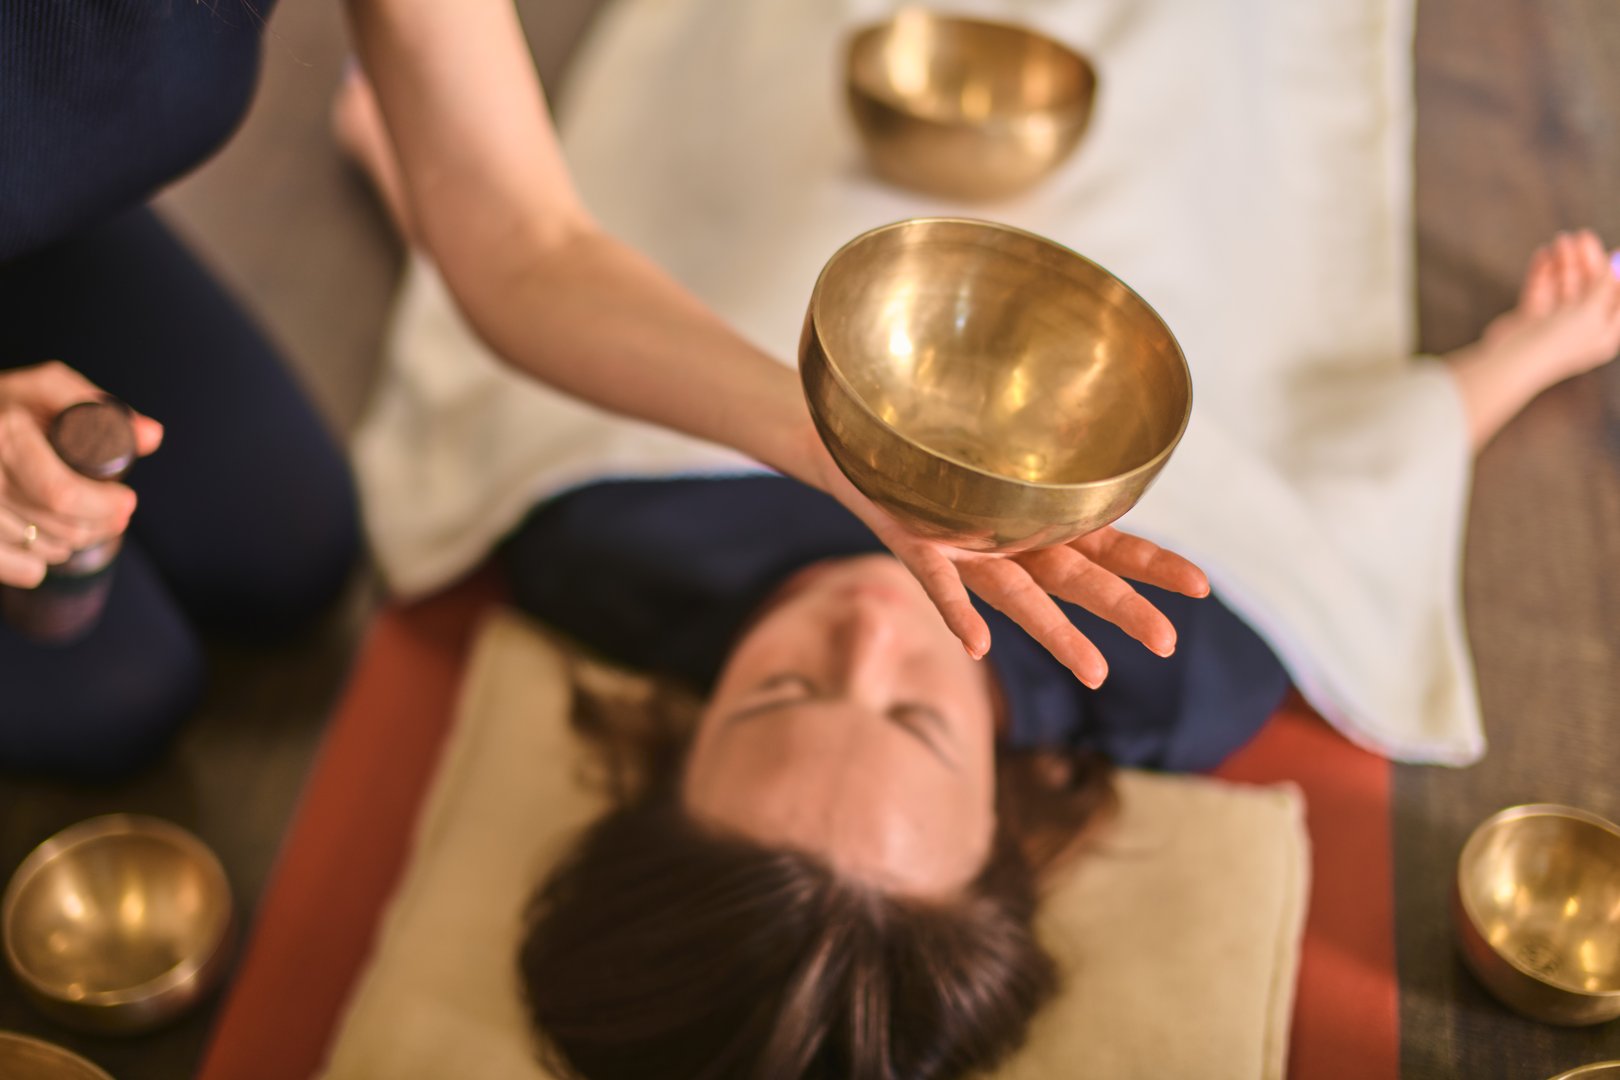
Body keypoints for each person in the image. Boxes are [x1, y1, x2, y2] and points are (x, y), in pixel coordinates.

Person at [334, 81, 1620, 1075]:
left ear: (678, 746)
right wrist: (1517, 361)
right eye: (912, 719)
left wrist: (420, 177)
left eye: (779, 695)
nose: (863, 633)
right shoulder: (1167, 673)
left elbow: (512, 353)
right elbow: (1342, 510)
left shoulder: (600, 551)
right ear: (1004, 815)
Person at [0, 1, 1184, 777]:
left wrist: (838, 451)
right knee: (121, 700)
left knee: (292, 553)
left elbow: (527, 247)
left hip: (38, 209)